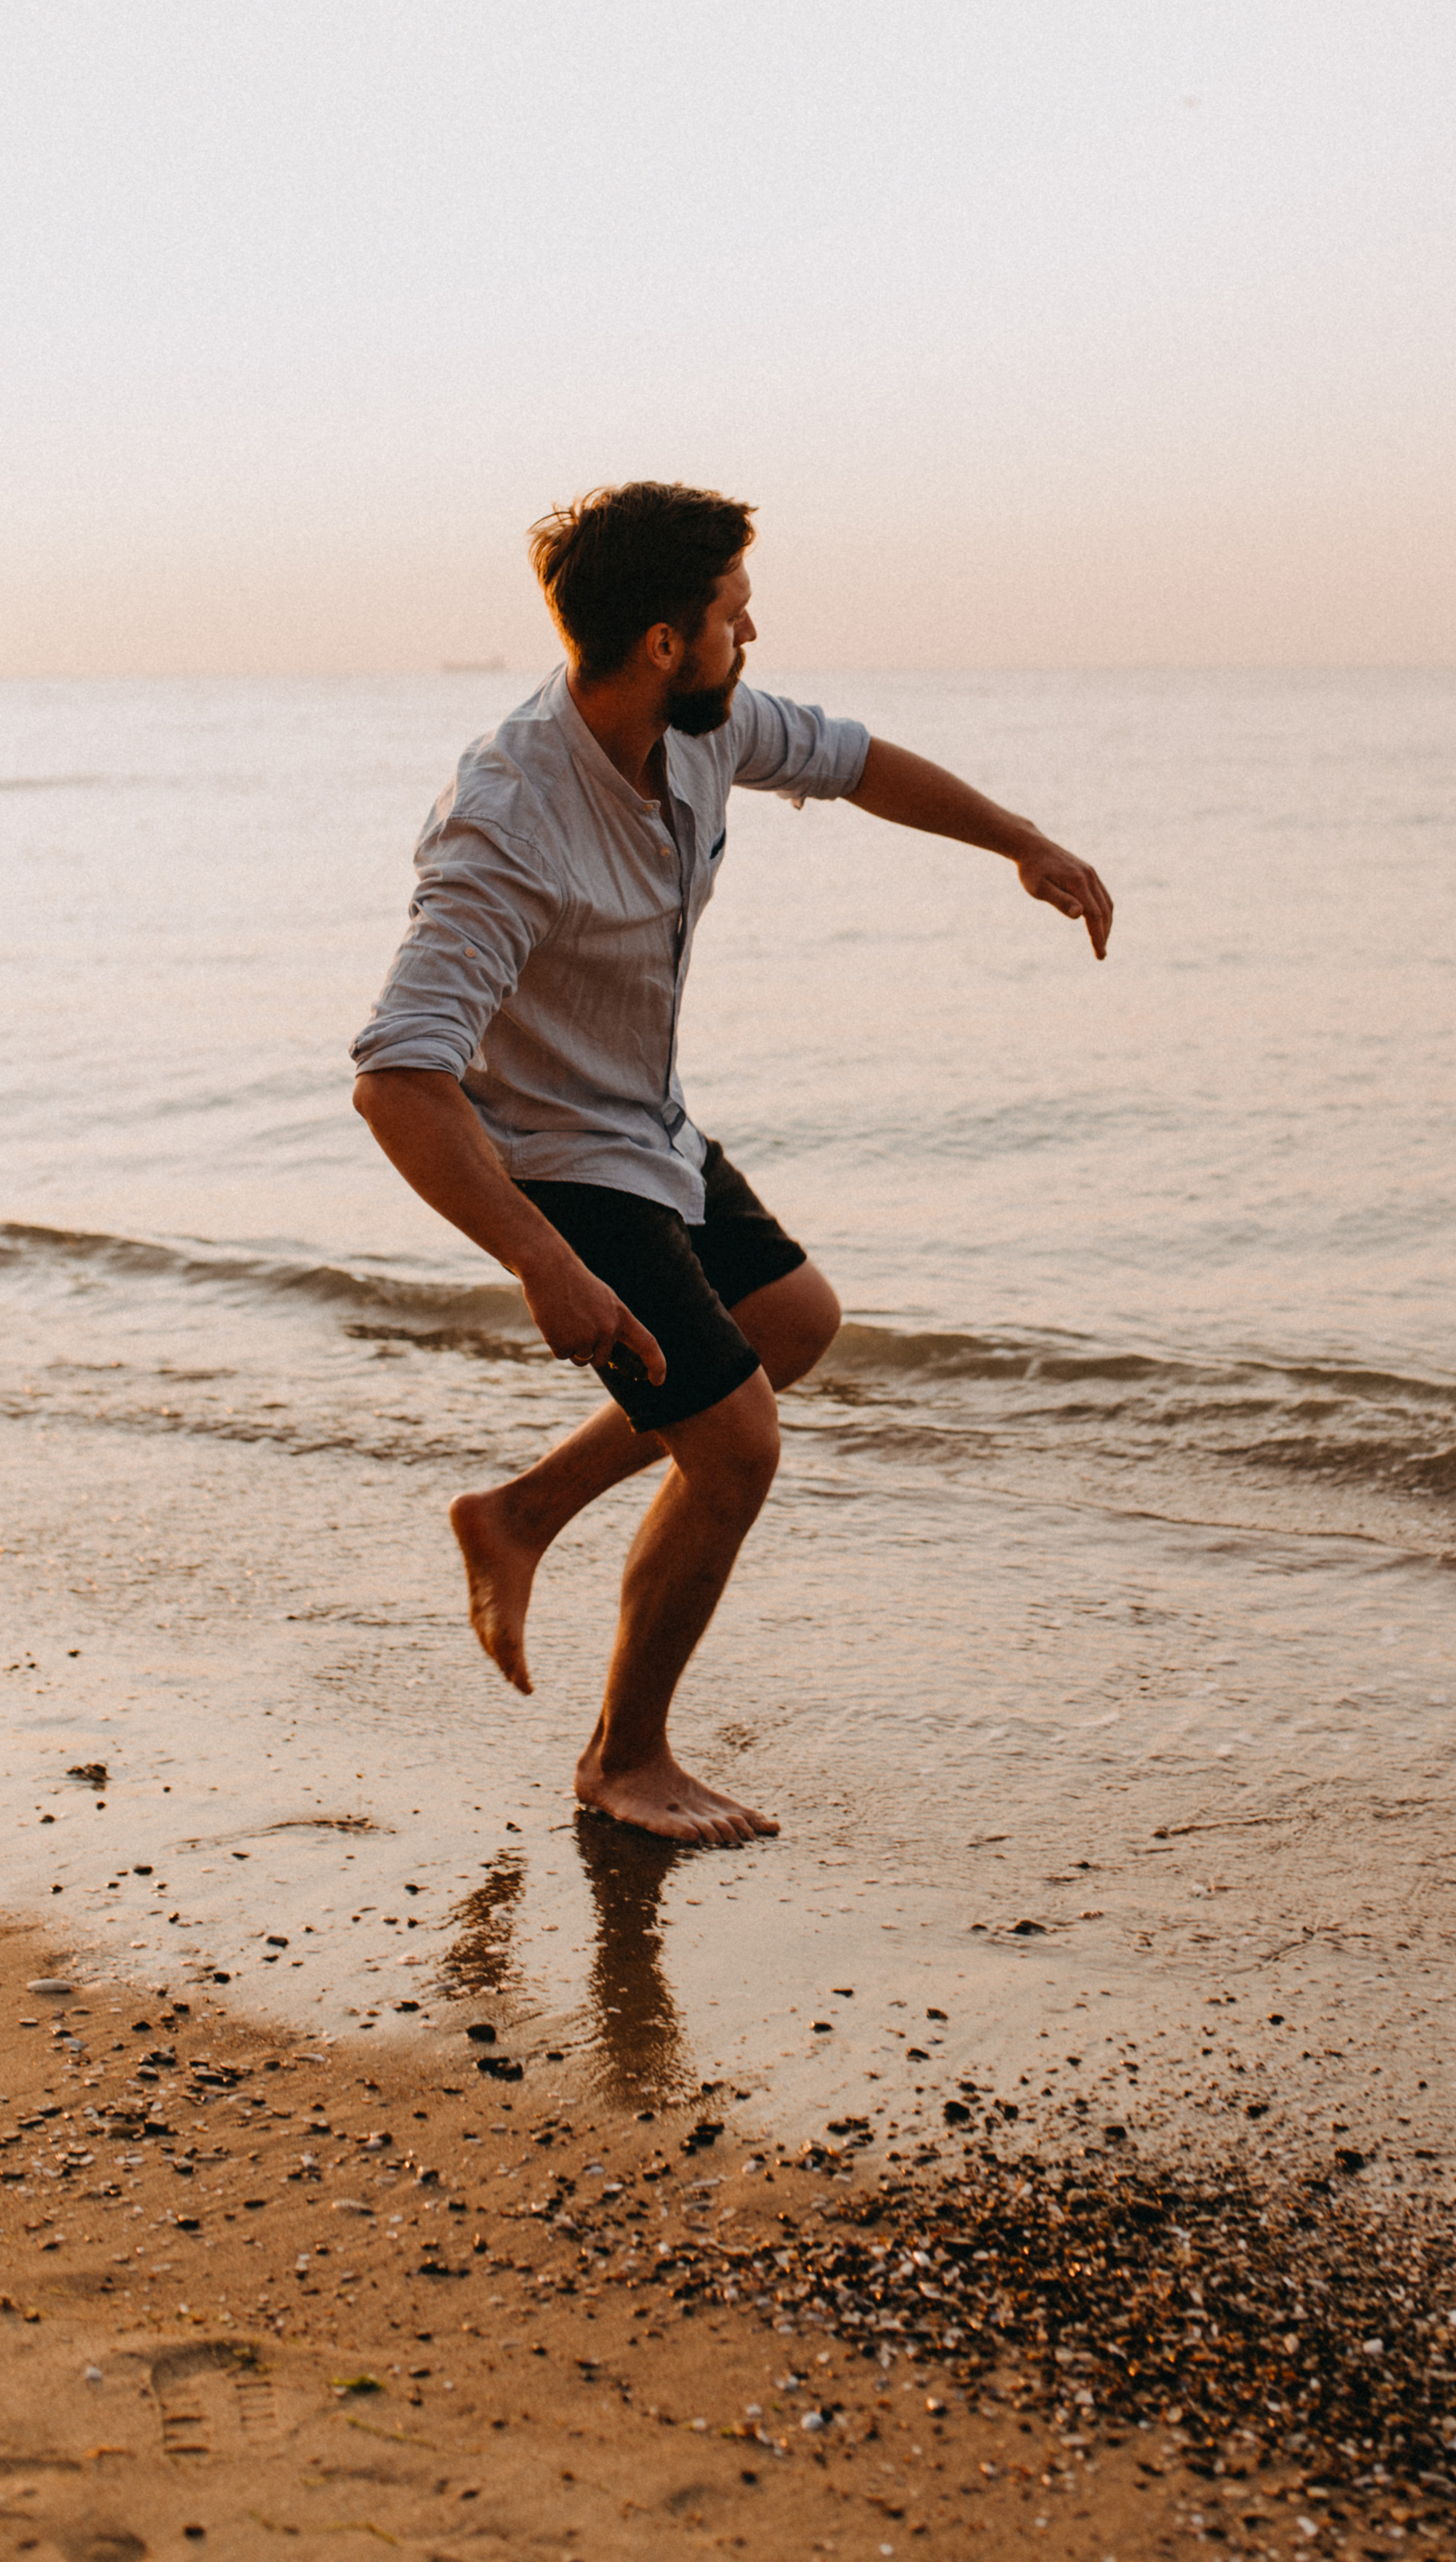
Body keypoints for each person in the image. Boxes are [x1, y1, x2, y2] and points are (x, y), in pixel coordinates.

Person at [350, 482, 1112, 1848]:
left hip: (645, 1121)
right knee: (737, 1445)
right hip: (548, 1156)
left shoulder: (699, 729)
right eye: (734, 616)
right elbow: (400, 1077)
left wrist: (1023, 843)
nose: (750, 637)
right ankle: (623, 1759)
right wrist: (542, 1262)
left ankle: (519, 1514)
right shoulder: (508, 817)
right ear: (664, 641)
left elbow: (857, 762)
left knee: (793, 1322)